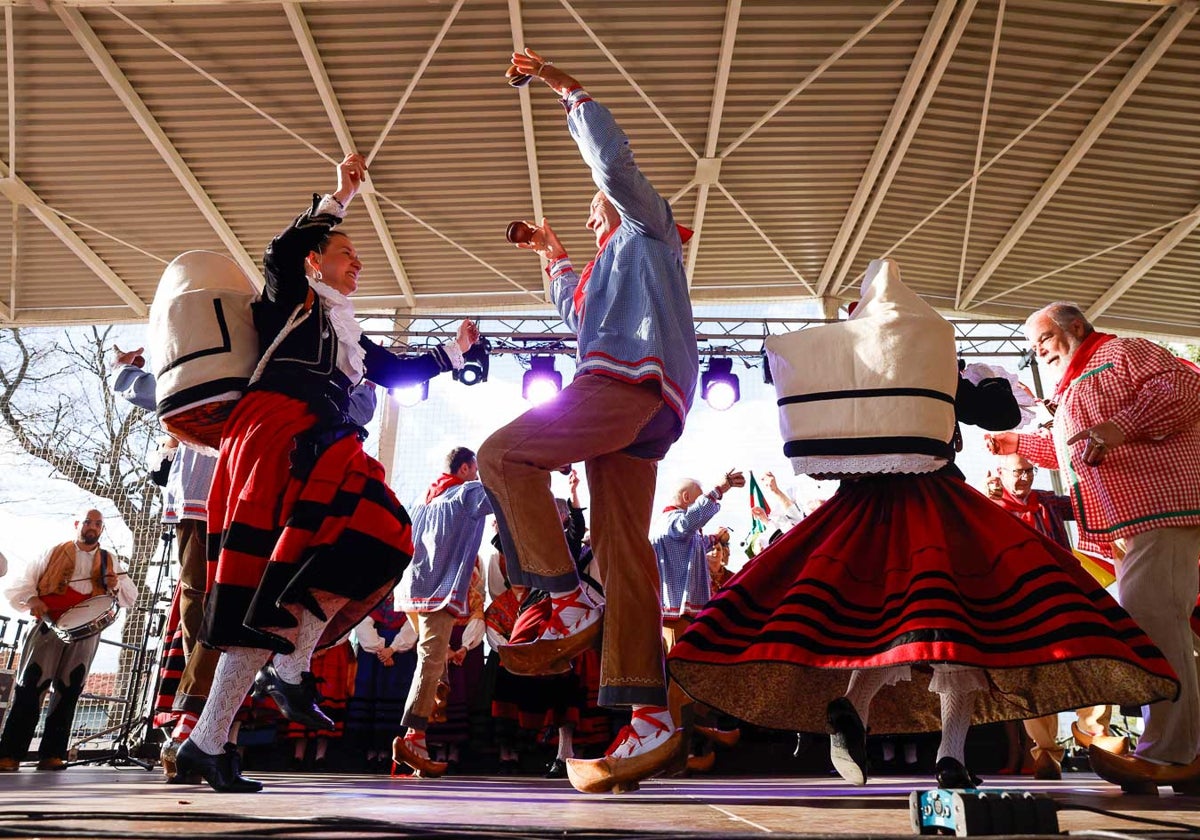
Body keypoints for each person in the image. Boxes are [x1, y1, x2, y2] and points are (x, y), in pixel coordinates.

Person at [667, 260, 1180, 790]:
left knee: (883, 626)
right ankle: (951, 755)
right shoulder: (932, 363)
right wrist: (980, 377)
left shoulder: (850, 370)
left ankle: (852, 703)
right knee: (949, 630)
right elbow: (1001, 415)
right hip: (936, 509)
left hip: (861, 517)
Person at [174, 153, 478, 794]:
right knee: (299, 578)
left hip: (322, 442)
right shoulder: (292, 298)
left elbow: (397, 373)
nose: (358, 263)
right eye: (346, 254)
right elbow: (283, 250)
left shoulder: (348, 329)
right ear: (318, 262)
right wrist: (338, 197)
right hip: (277, 438)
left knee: (368, 545)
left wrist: (454, 351)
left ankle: (225, 728)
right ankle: (263, 695)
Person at [478, 48, 699, 794]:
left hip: (625, 386)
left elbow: (615, 172)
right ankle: (648, 714)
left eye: (593, 206)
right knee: (625, 551)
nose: (590, 206)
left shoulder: (651, 231)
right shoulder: (607, 266)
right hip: (638, 406)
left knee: (502, 457)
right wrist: (552, 254)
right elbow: (575, 310)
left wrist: (568, 90)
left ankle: (564, 594)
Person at [986, 301, 1200, 794]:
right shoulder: (1077, 385)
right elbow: (1076, 449)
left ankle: (1170, 754)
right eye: (1032, 347)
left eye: (1042, 341)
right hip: (1133, 521)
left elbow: (1187, 388)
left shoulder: (1123, 353)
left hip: (1162, 506)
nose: (1037, 353)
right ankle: (1181, 750)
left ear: (1076, 327)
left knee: (1151, 622)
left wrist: (1119, 428)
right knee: (1162, 625)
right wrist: (1014, 444)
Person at [991, 452, 1128, 780]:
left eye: (1028, 471)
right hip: (1020, 603)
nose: (1023, 478)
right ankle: (1046, 752)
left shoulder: (1048, 502)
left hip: (1063, 593)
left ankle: (1094, 731)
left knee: (1093, 657)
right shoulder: (990, 505)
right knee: (1032, 675)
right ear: (999, 473)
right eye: (1016, 472)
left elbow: (1086, 499)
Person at [0, 509, 138, 771]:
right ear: (77, 524)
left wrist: (115, 585)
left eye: (98, 524)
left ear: (102, 529)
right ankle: (10, 754)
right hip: (48, 625)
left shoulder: (110, 560)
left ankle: (52, 754)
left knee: (69, 689)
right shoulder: (54, 551)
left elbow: (130, 596)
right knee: (31, 686)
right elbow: (24, 582)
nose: (92, 527)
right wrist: (32, 599)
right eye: (87, 522)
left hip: (86, 634)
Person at [392, 447, 492, 777]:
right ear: (465, 468)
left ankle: (420, 743)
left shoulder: (424, 496)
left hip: (410, 589)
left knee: (436, 665)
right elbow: (501, 496)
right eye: (476, 470)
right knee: (431, 661)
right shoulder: (468, 491)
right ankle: (413, 736)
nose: (477, 476)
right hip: (439, 590)